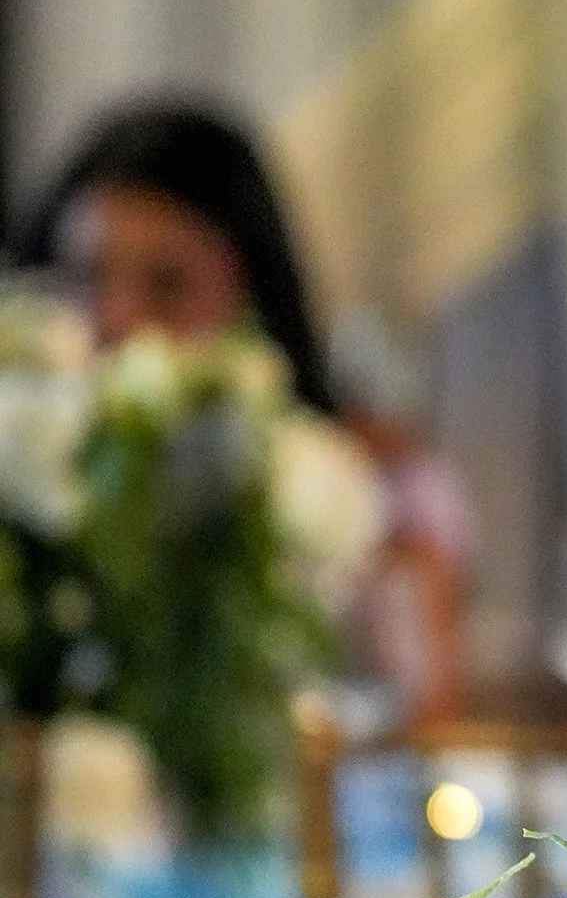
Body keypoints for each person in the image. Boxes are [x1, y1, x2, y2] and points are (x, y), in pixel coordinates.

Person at [18, 96, 469, 717]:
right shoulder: (24, 488)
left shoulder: (367, 483)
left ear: (252, 288)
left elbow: (420, 727)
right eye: (88, 276)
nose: (117, 319)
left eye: (167, 284)